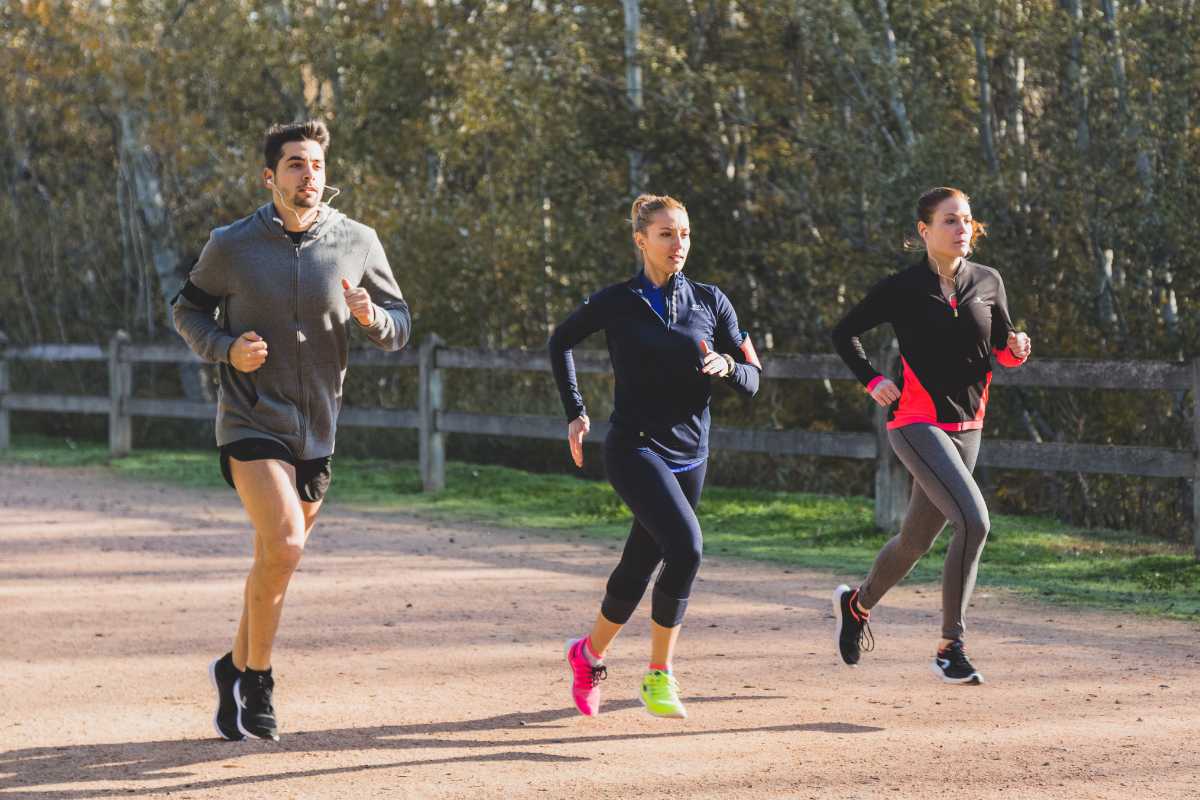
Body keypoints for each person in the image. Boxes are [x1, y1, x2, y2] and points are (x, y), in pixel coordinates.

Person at [172, 120, 411, 740]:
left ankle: (230, 666)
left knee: (272, 561)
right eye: (296, 165)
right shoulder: (233, 244)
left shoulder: (357, 241)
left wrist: (373, 317)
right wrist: (226, 349)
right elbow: (187, 309)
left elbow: (400, 322)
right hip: (251, 419)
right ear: (270, 176)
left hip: (319, 429)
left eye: (317, 165)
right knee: (285, 543)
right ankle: (258, 681)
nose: (309, 176)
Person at [548, 194, 762, 718]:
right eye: (666, 234)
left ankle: (588, 652)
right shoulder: (617, 301)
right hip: (634, 446)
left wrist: (728, 368)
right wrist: (576, 412)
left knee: (640, 563)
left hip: (692, 455)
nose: (678, 244)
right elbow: (561, 342)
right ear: (641, 239)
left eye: (684, 234)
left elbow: (756, 377)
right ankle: (659, 675)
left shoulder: (713, 301)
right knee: (686, 547)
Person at [830, 186, 1031, 685]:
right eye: (950, 221)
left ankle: (857, 605)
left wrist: (1018, 349)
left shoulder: (988, 280)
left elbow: (1000, 350)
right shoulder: (902, 287)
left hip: (969, 426)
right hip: (916, 422)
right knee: (975, 521)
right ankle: (950, 645)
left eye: (966, 220)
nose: (962, 229)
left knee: (915, 541)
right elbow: (844, 332)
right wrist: (872, 379)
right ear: (925, 231)